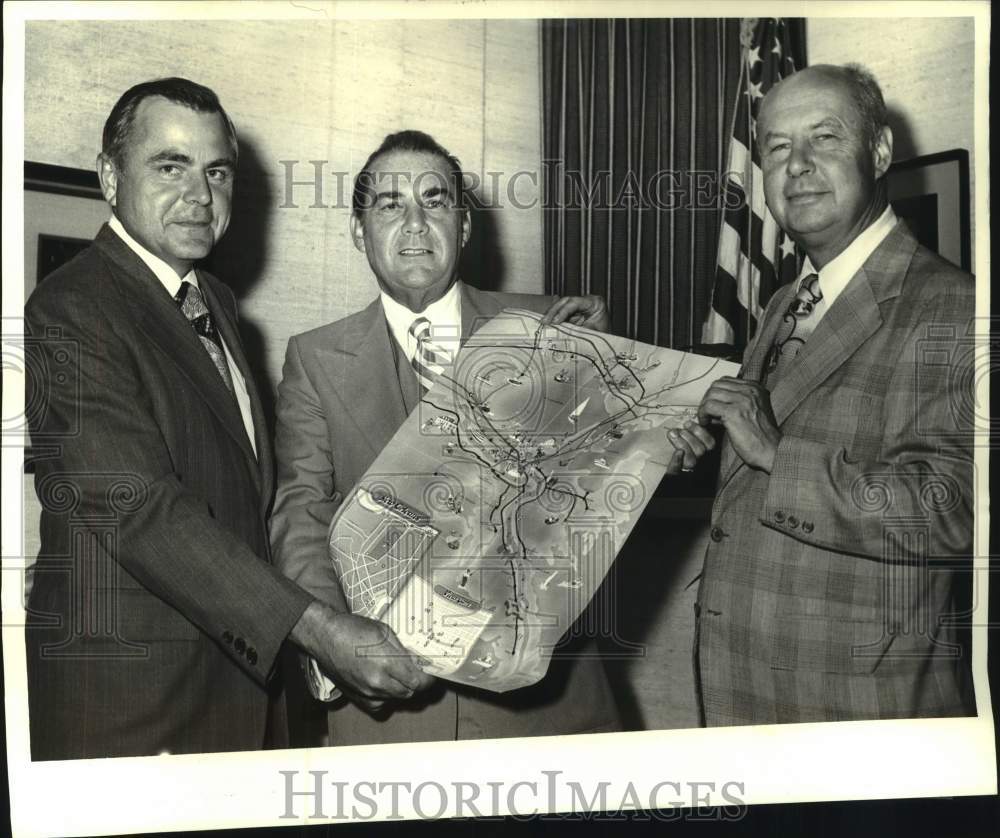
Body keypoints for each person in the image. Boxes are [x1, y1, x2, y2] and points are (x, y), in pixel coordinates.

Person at [24, 78, 431, 760]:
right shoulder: (70, 307)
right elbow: (141, 509)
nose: (199, 194)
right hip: (131, 711)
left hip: (238, 696)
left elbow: (252, 504)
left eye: (216, 171)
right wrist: (318, 629)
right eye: (169, 166)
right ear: (109, 177)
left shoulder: (212, 301)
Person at [270, 129, 624, 744]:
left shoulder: (552, 325)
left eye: (434, 202)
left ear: (463, 228)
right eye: (388, 204)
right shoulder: (315, 359)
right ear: (359, 231)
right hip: (392, 715)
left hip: (546, 711)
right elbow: (301, 514)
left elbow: (613, 481)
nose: (413, 222)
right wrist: (335, 642)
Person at [671, 64, 976, 724]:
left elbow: (958, 512)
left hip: (858, 709)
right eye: (777, 146)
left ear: (881, 151)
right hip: (744, 688)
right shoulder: (788, 297)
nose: (797, 165)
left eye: (825, 138)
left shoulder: (953, 304)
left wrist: (776, 455)